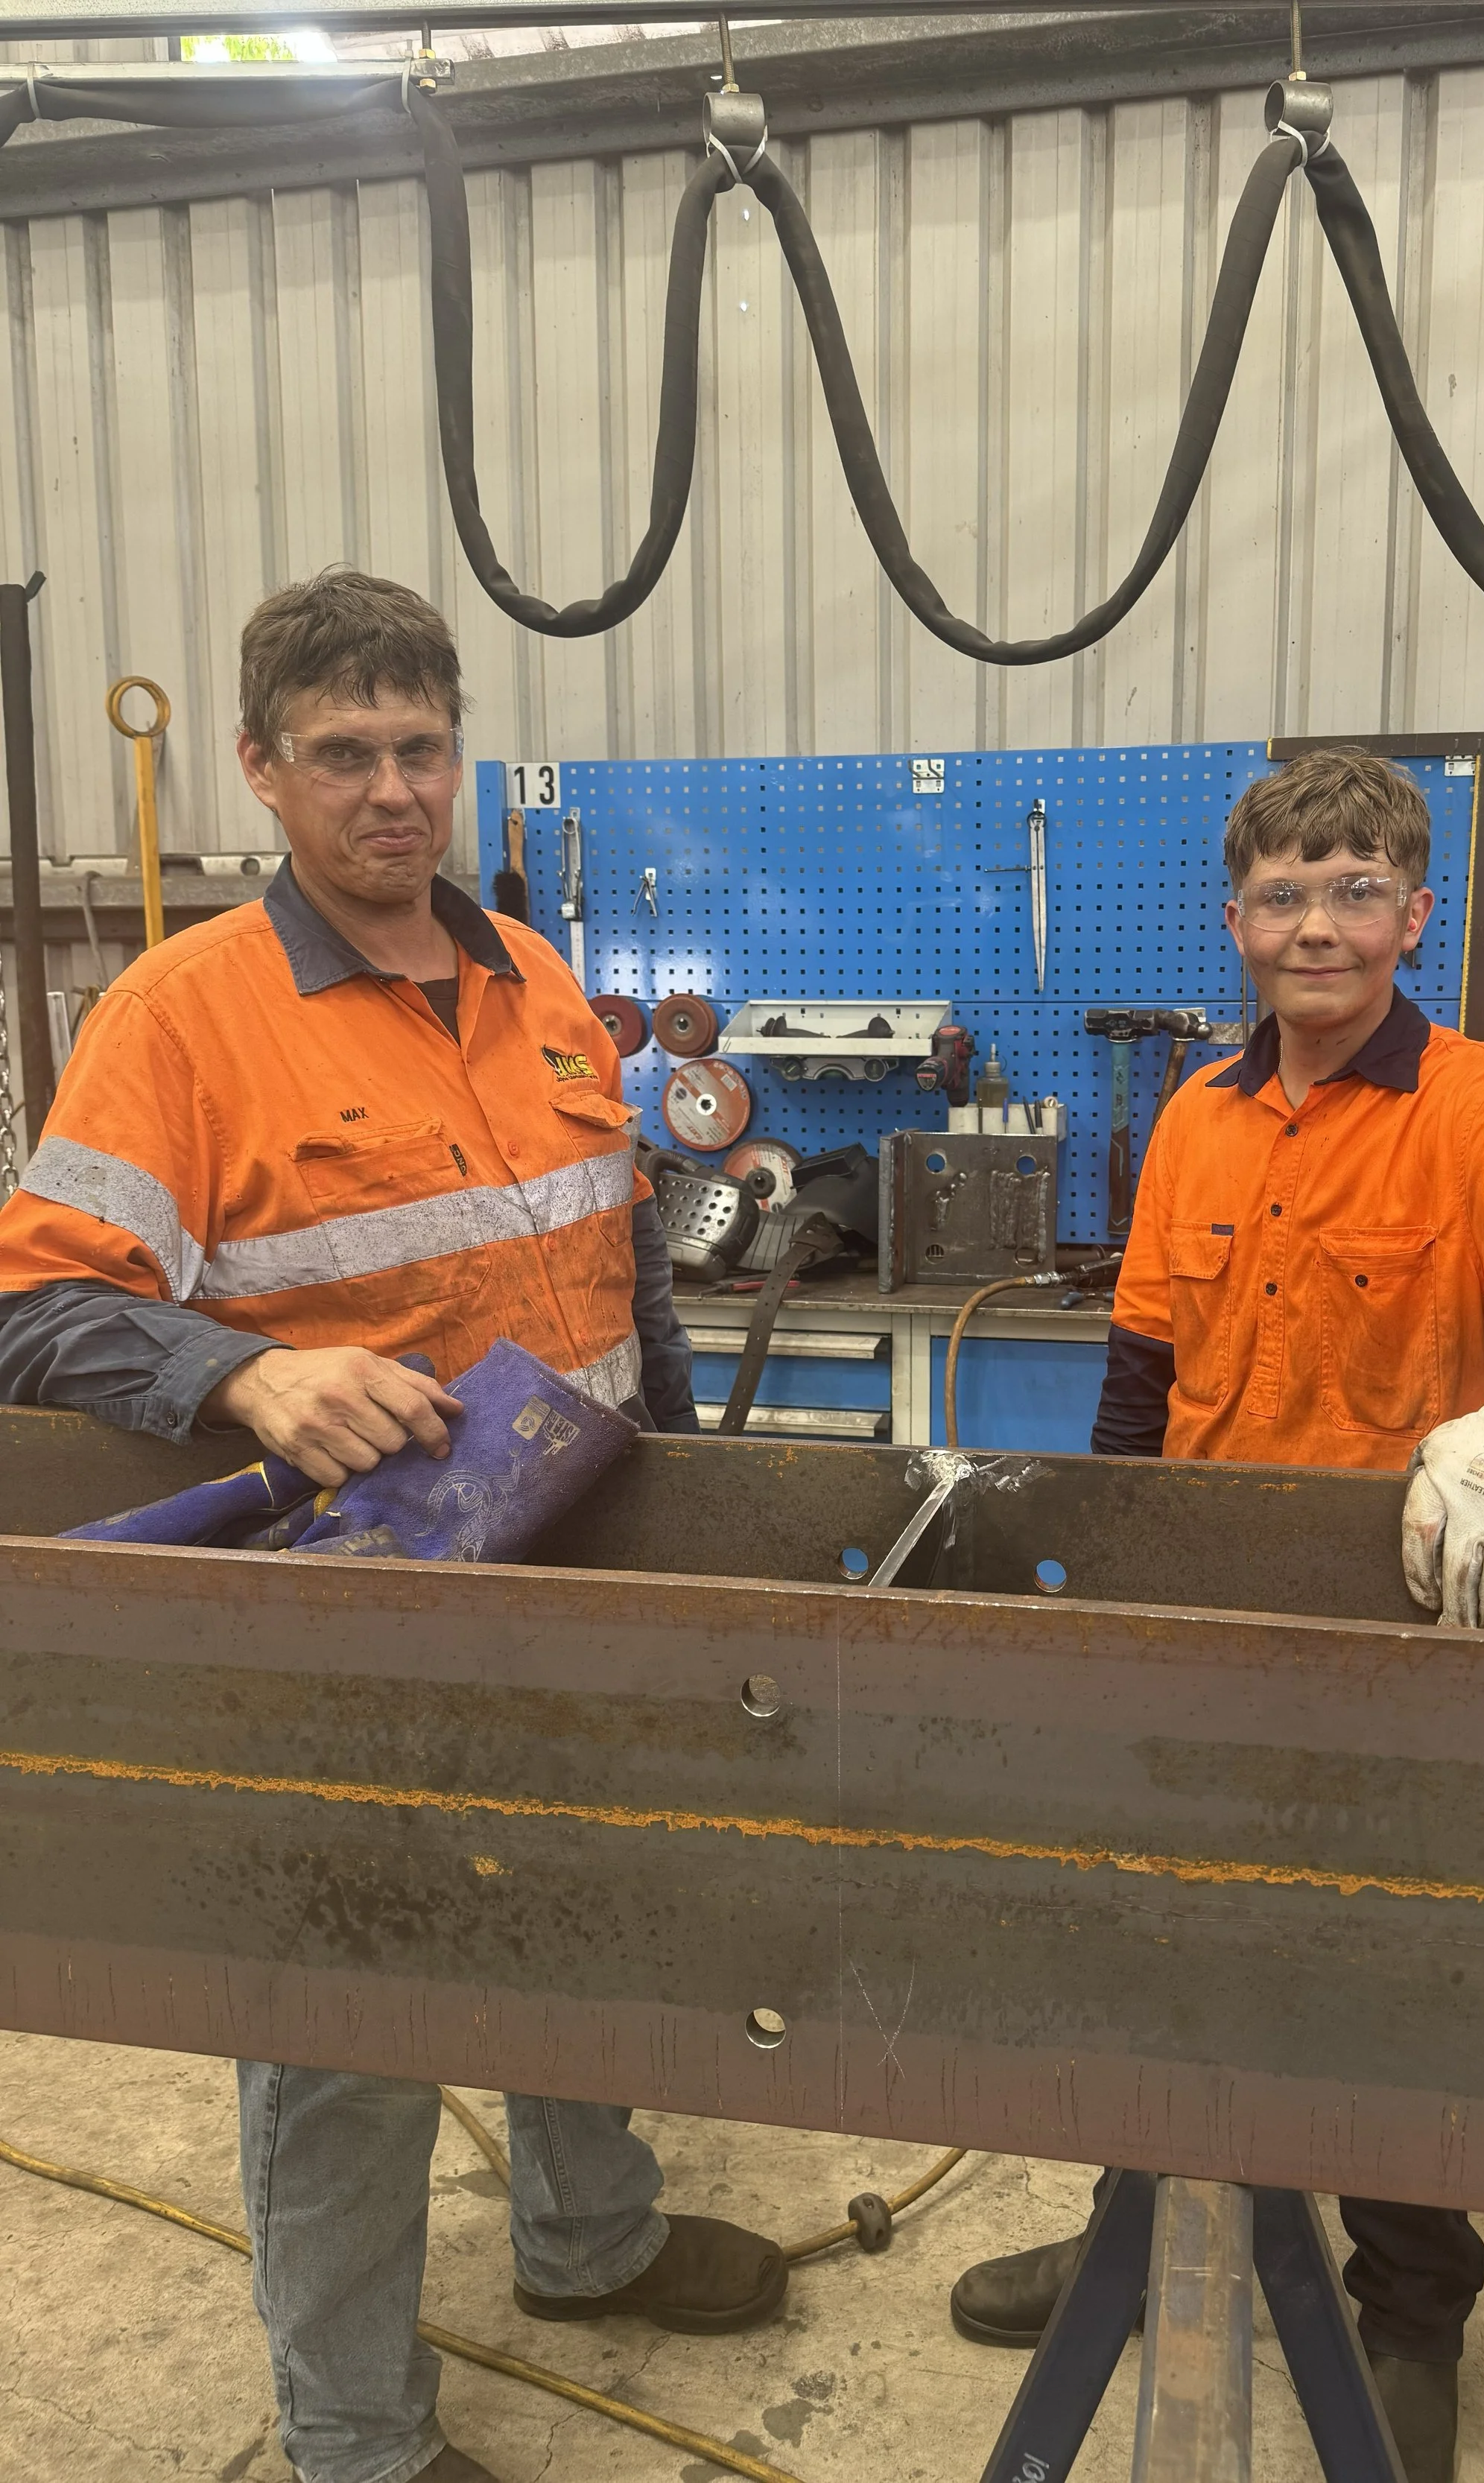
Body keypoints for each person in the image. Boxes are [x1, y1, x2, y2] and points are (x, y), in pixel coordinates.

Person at [0, 568, 784, 2483]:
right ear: (262, 771)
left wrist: (692, 1497)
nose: (388, 790)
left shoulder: (534, 984)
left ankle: (585, 2242)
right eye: (341, 754)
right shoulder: (185, 1016)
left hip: (584, 1573)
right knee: (346, 2017)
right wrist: (241, 1376)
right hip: (346, 1617)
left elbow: (617, 1272)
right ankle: (354, 2437)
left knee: (592, 1921)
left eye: (418, 747)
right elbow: (34, 1298)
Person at [948, 746, 1484, 2483]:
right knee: (1158, 1941)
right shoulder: (1200, 1123)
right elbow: (1143, 1375)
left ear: (1412, 911)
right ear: (1236, 924)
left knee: (1386, 1981)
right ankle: (1135, 2225)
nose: (1318, 924)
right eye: (1285, 894)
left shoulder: (1480, 1109)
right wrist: (1104, 1572)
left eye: (1354, 888)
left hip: (1398, 1642)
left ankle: (1408, 2308)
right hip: (1199, 1625)